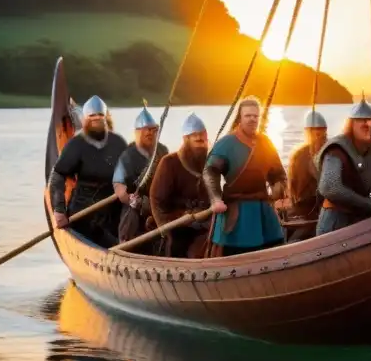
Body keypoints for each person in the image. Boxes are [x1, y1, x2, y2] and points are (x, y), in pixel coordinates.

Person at [203, 96, 288, 257]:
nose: (252, 119)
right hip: (237, 212)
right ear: (240, 118)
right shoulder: (226, 143)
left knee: (275, 250)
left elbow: (278, 173)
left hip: (263, 209)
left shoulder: (266, 142)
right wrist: (215, 199)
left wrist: (279, 187)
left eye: (255, 116)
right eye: (248, 115)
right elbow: (210, 171)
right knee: (236, 255)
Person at [48, 95, 128, 247]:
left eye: (100, 115)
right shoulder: (76, 144)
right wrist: (59, 209)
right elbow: (58, 175)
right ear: (85, 119)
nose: (96, 119)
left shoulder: (118, 143)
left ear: (106, 118)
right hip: (82, 214)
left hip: (112, 212)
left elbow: (129, 175)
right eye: (92, 116)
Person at [315, 98, 371, 235]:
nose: (369, 126)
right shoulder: (336, 150)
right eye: (364, 123)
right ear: (351, 124)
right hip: (335, 222)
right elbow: (330, 188)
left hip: (362, 220)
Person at [148, 112, 212, 258]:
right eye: (195, 138)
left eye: (202, 138)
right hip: (177, 223)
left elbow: (213, 195)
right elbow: (156, 199)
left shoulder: (209, 162)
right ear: (186, 139)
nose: (200, 141)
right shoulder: (169, 163)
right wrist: (165, 226)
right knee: (178, 246)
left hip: (204, 221)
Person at [113, 103, 169, 252]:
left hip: (158, 203)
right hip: (136, 204)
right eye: (146, 131)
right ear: (137, 132)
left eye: (152, 130)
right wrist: (131, 198)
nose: (150, 134)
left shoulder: (162, 151)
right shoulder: (127, 156)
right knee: (132, 212)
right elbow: (119, 186)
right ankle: (124, 245)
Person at [280, 108, 328, 242]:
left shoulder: (325, 152)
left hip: (306, 205)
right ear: (309, 132)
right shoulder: (303, 155)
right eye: (317, 133)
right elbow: (322, 182)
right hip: (310, 207)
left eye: (323, 133)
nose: (321, 137)